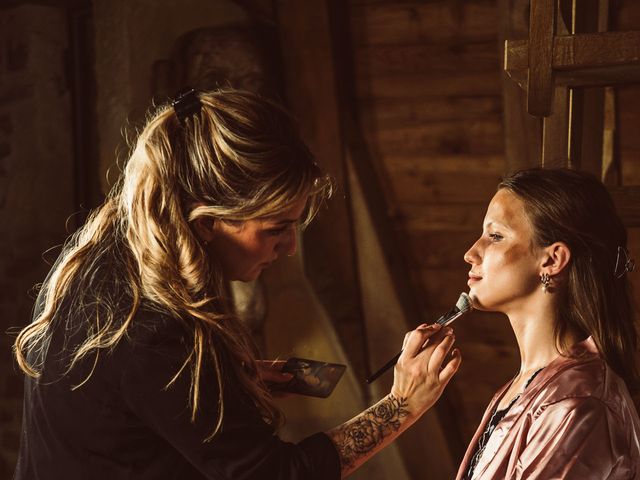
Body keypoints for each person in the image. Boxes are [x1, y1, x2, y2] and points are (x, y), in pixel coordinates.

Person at [13, 89, 461, 480]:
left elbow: (133, 403)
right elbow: (277, 476)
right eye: (275, 228)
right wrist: (401, 406)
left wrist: (224, 380)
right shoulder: (152, 327)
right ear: (207, 223)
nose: (288, 248)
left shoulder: (108, 254)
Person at [457, 168, 640, 479]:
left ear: (553, 260)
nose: (471, 253)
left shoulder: (578, 404)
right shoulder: (522, 387)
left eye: (496, 236)